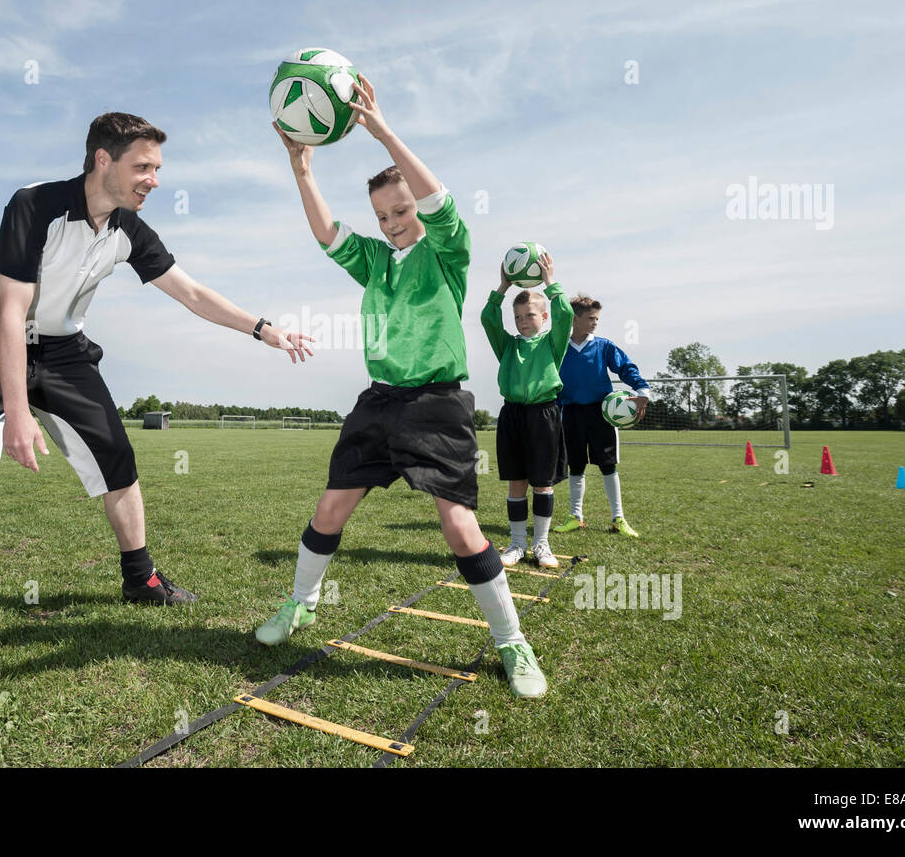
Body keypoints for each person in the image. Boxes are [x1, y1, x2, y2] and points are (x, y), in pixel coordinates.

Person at [0, 112, 312, 669]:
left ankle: (141, 578)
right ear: (104, 160)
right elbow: (11, 313)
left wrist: (264, 329)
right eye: (143, 166)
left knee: (117, 457)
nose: (154, 179)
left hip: (65, 351)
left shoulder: (128, 228)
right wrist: (18, 412)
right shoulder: (34, 205)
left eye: (157, 168)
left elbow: (190, 292)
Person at [255, 77, 547, 699]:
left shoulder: (449, 252)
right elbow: (327, 232)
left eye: (401, 210)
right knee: (330, 508)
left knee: (459, 526)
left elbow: (440, 200)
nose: (392, 223)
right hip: (378, 400)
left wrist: (383, 131)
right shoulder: (374, 260)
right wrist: (301, 168)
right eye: (384, 215)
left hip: (438, 403)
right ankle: (301, 604)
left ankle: (511, 641)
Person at [479, 255, 572, 568]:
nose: (522, 321)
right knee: (516, 483)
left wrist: (550, 283)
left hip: (543, 416)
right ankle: (517, 544)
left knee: (542, 483)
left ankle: (541, 544)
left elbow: (566, 315)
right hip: (512, 417)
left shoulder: (553, 342)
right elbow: (488, 318)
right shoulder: (507, 346)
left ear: (543, 317)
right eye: (517, 316)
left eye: (529, 315)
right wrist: (503, 287)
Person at [553, 295, 648, 539]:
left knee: (607, 465)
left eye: (597, 318)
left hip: (602, 413)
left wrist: (642, 390)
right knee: (576, 466)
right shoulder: (558, 346)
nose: (595, 322)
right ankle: (576, 517)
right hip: (571, 413)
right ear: (575, 319)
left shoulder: (603, 345)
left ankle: (618, 519)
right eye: (591, 318)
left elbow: (626, 368)